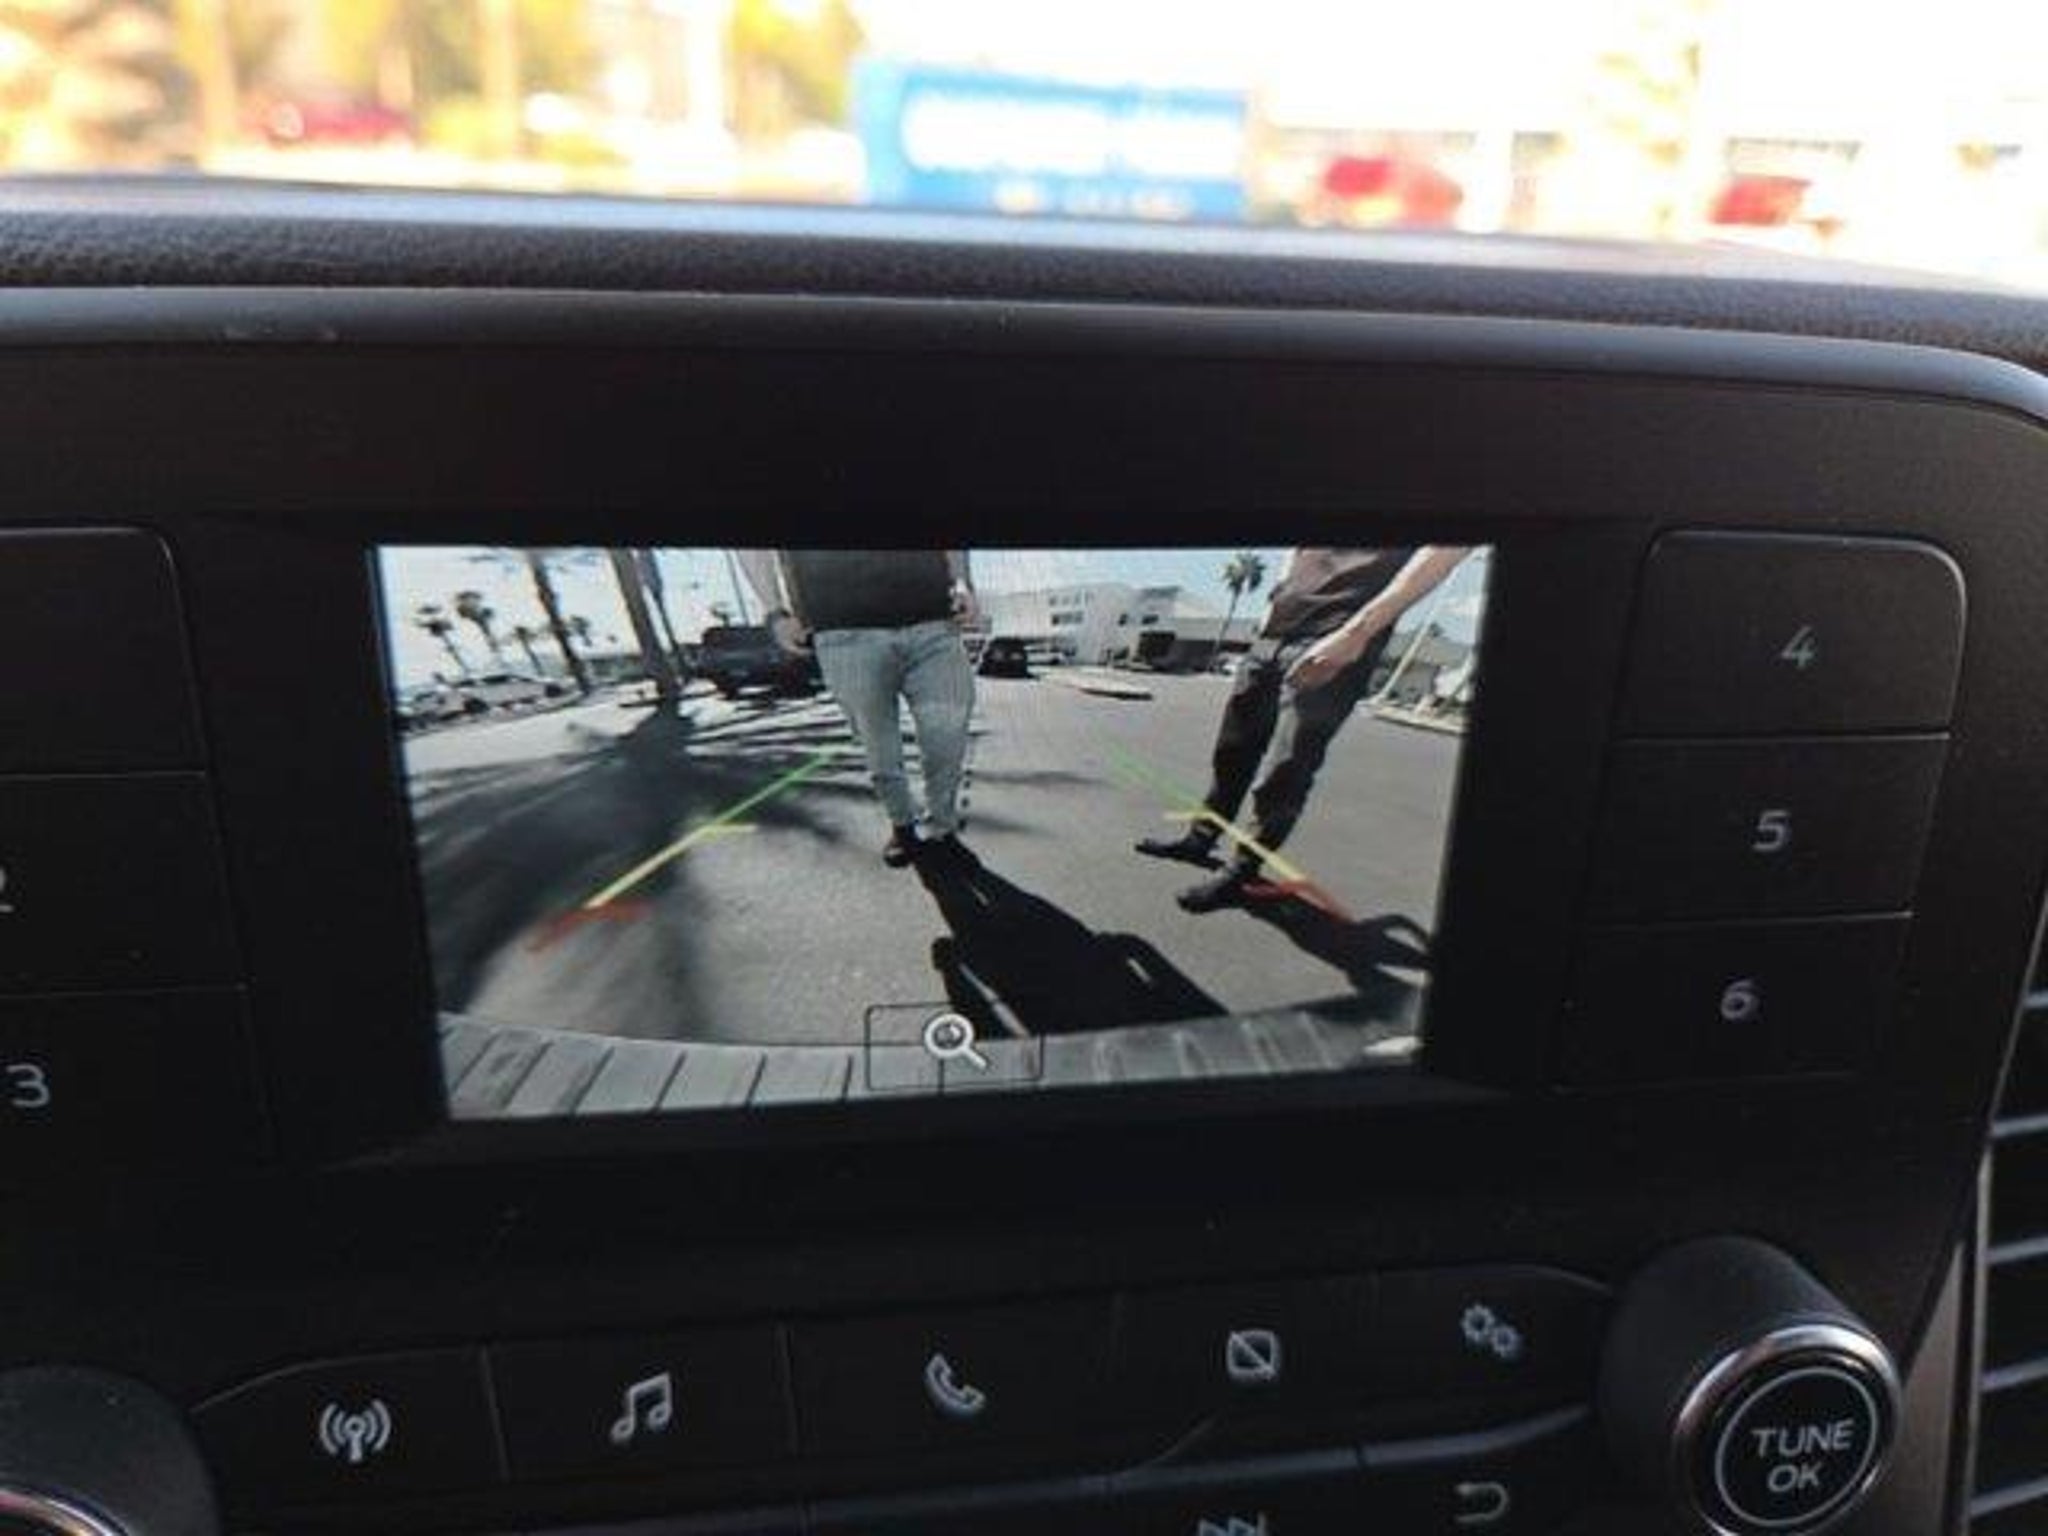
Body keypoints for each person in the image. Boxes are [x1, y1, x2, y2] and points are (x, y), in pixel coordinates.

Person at [1136, 546, 1469, 912]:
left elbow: (1444, 551)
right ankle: (1200, 839)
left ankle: (1242, 872)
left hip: (1334, 634)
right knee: (1232, 751)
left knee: (1286, 770)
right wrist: (1275, 598)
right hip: (1275, 633)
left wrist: (1356, 632)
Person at [738, 550, 978, 868]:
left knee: (947, 737)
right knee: (879, 747)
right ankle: (903, 825)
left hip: (932, 620)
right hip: (843, 630)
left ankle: (942, 828)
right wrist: (774, 611)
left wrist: (962, 581)